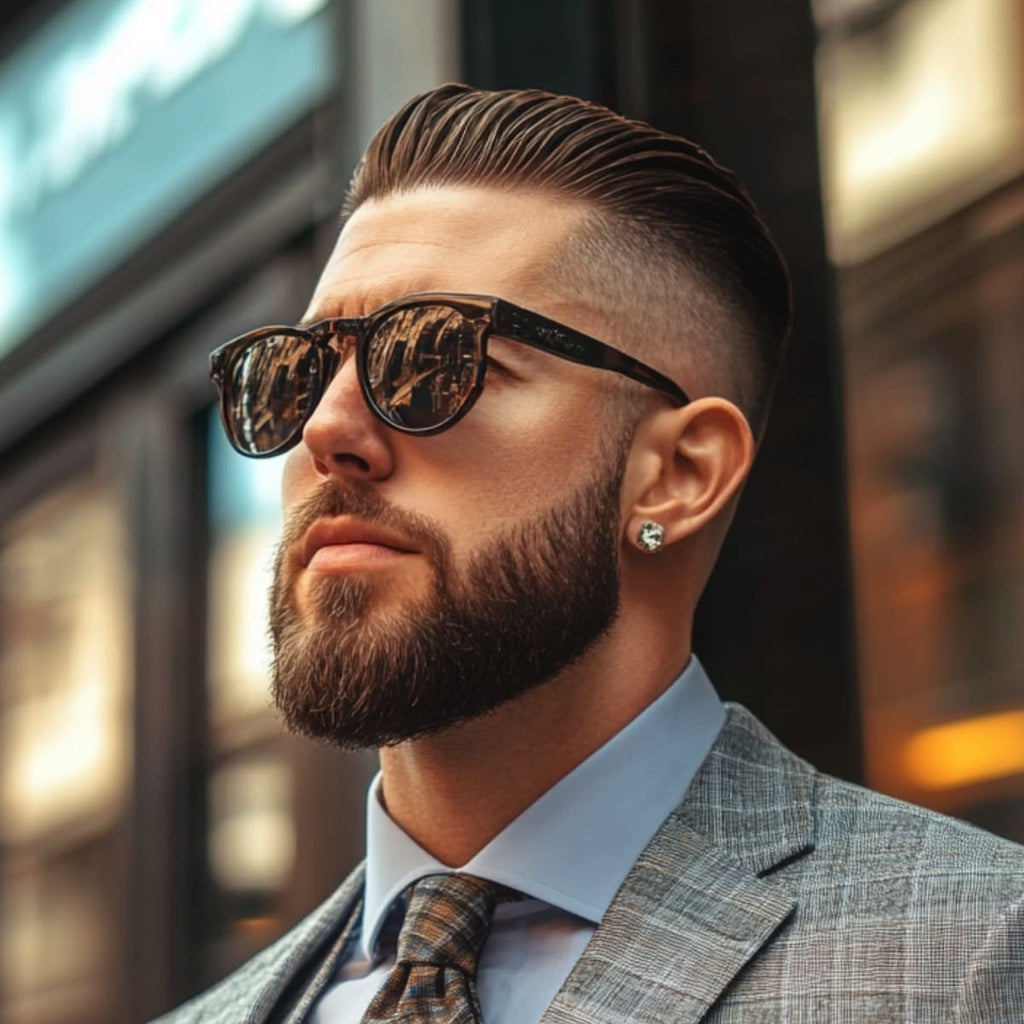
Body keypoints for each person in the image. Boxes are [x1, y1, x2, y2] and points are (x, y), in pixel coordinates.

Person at [156, 84, 1024, 1023]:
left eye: (433, 360)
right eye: (298, 374)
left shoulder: (973, 953)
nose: (325, 430)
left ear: (678, 475)